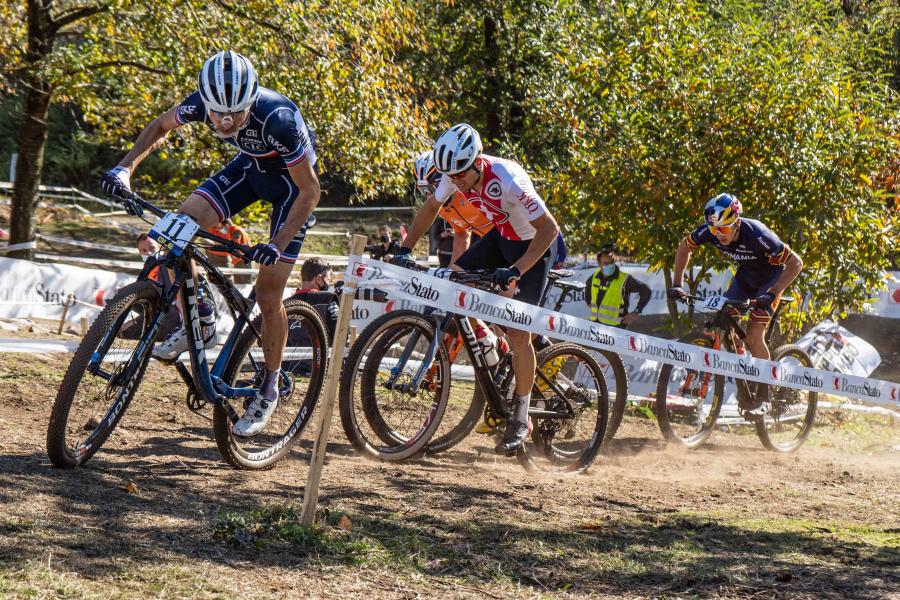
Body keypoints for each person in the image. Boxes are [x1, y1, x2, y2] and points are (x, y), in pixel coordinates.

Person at [100, 50, 320, 437]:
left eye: (235, 113)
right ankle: (200, 315)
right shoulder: (202, 103)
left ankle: (269, 384)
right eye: (218, 113)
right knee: (173, 232)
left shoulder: (279, 120)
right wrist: (124, 167)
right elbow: (159, 126)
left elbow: (310, 191)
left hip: (290, 189)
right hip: (250, 171)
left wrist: (277, 243)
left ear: (251, 99)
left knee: (268, 294)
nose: (225, 121)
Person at [395, 124, 560, 454]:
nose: (454, 183)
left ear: (476, 162)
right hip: (502, 237)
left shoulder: (508, 179)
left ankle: (521, 417)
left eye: (459, 176)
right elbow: (431, 207)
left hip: (534, 247)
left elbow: (549, 230)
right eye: (449, 177)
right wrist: (404, 249)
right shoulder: (452, 173)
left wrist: (516, 271)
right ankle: (488, 343)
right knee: (452, 278)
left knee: (518, 333)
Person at [668, 193, 803, 412]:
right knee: (722, 320)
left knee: (754, 334)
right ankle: (743, 368)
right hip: (745, 277)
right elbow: (685, 247)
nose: (717, 234)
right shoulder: (712, 230)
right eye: (714, 229)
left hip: (771, 280)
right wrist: (677, 283)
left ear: (736, 222)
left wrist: (774, 291)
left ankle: (765, 396)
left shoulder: (757, 233)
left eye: (723, 229)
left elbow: (796, 263)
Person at [584, 242, 650, 328]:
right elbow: (588, 287)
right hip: (596, 325)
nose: (609, 266)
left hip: (616, 328)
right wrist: (589, 301)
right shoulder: (595, 276)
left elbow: (646, 291)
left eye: (611, 262)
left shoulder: (624, 279)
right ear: (599, 264)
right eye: (605, 264)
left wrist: (636, 312)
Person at [293, 256, 338, 339]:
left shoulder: (285, 304)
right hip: (321, 352)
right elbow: (341, 335)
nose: (329, 284)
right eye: (328, 280)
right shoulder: (328, 300)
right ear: (319, 279)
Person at [206, 218, 251, 283]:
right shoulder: (232, 231)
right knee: (238, 284)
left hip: (243, 260)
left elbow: (235, 245)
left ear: (226, 225)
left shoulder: (235, 230)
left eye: (221, 227)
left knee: (245, 284)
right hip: (238, 260)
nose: (219, 229)